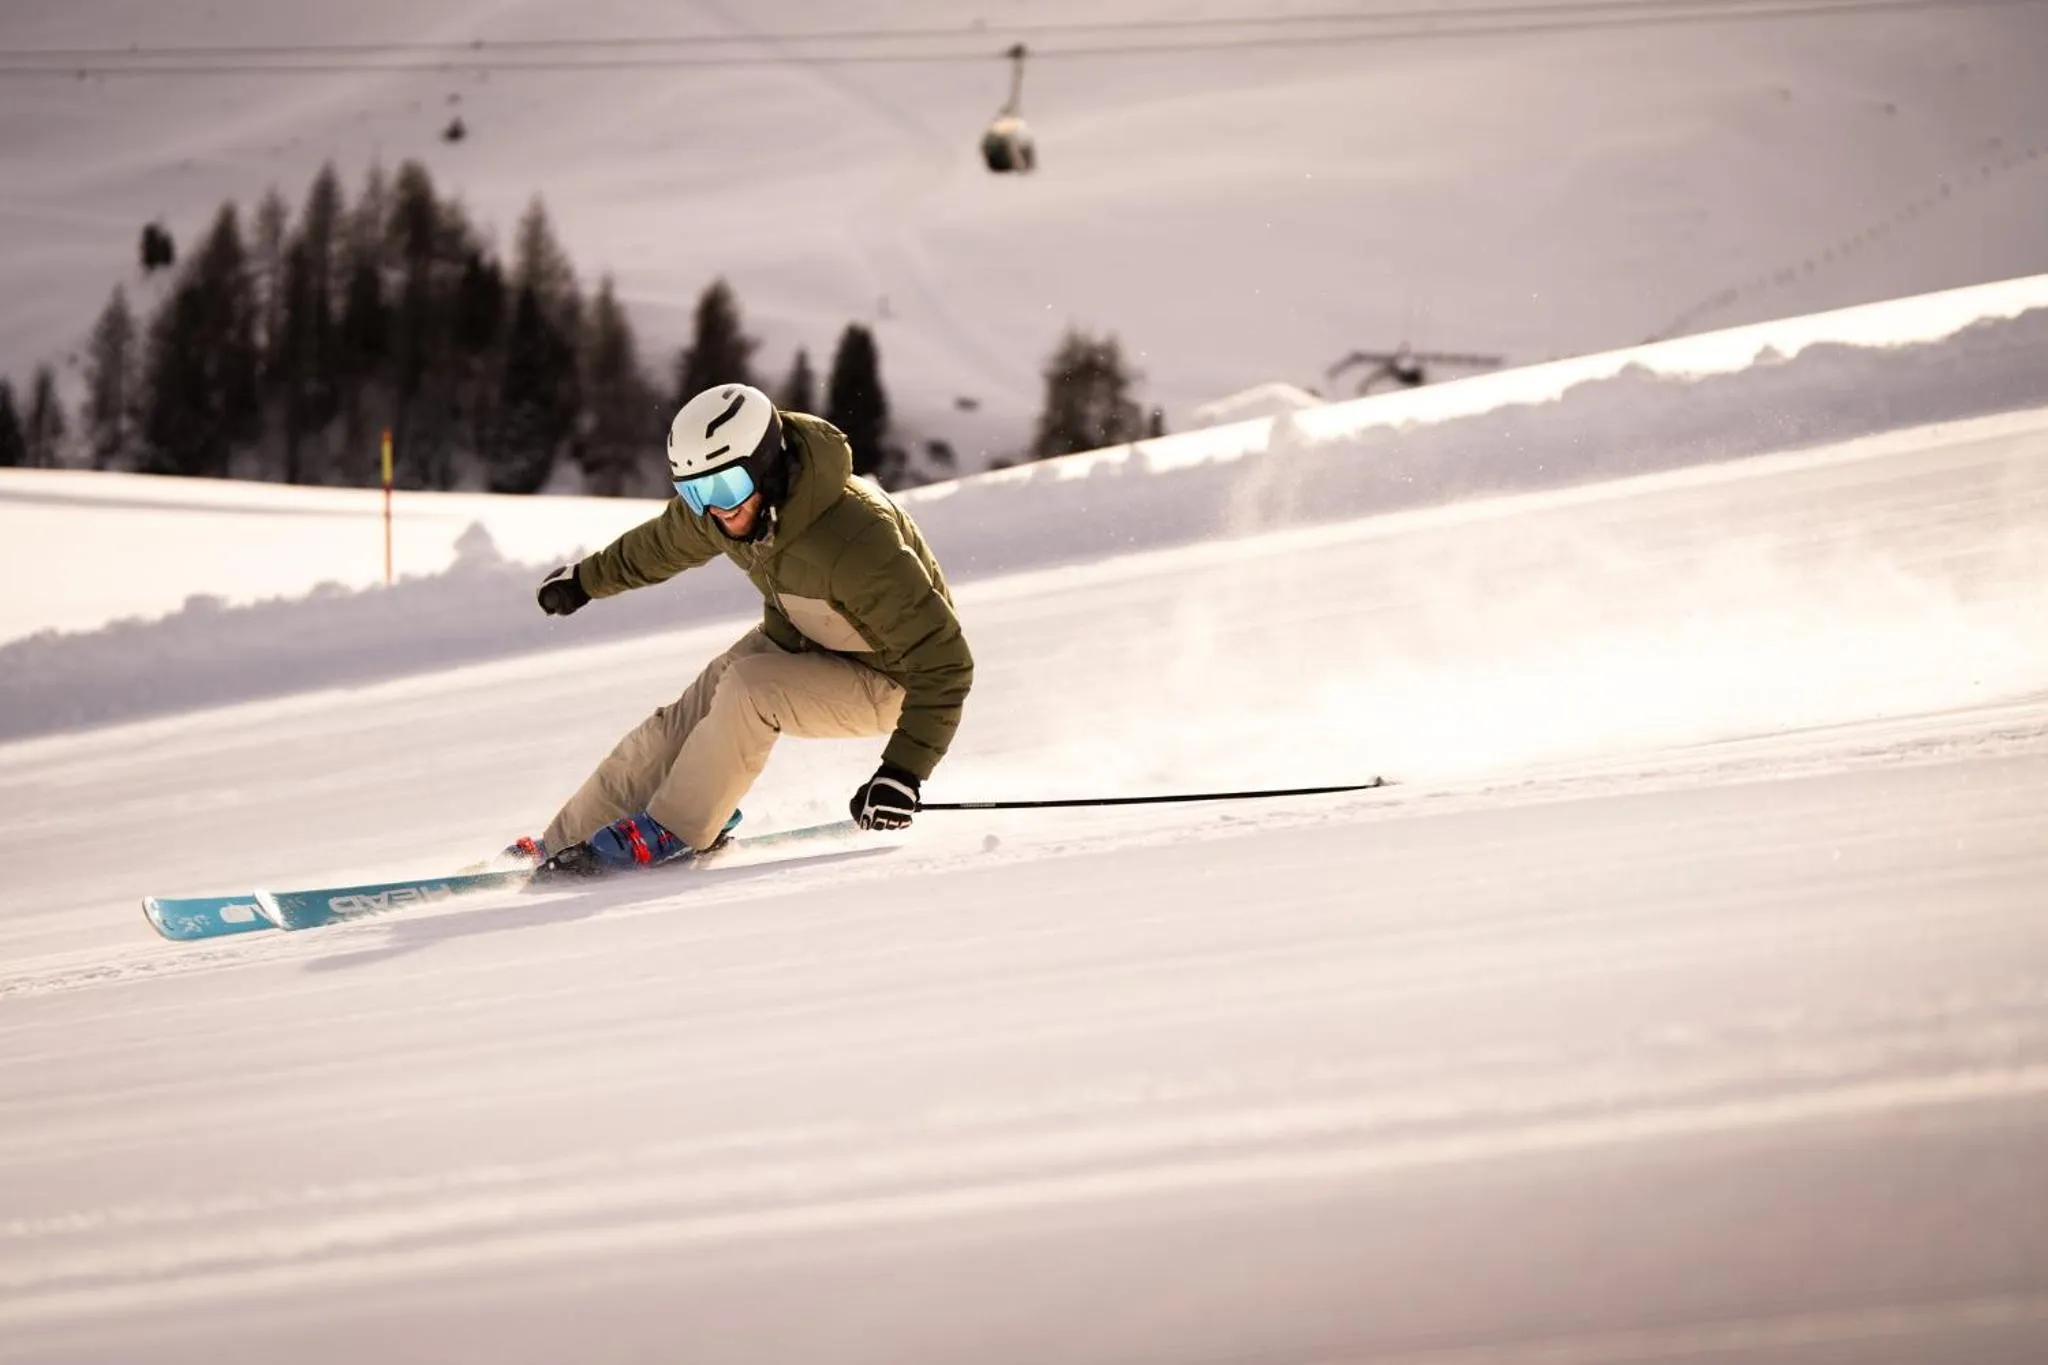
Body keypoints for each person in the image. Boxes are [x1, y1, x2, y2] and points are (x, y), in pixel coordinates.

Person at [511, 383, 973, 878]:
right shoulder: (728, 510)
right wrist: (585, 581)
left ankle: (679, 827)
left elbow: (945, 663)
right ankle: (566, 838)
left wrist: (902, 772)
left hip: (894, 680)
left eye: (726, 486)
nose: (717, 507)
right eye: (696, 491)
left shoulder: (856, 538)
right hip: (808, 636)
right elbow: (660, 544)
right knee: (683, 717)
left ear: (768, 466)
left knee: (750, 690)